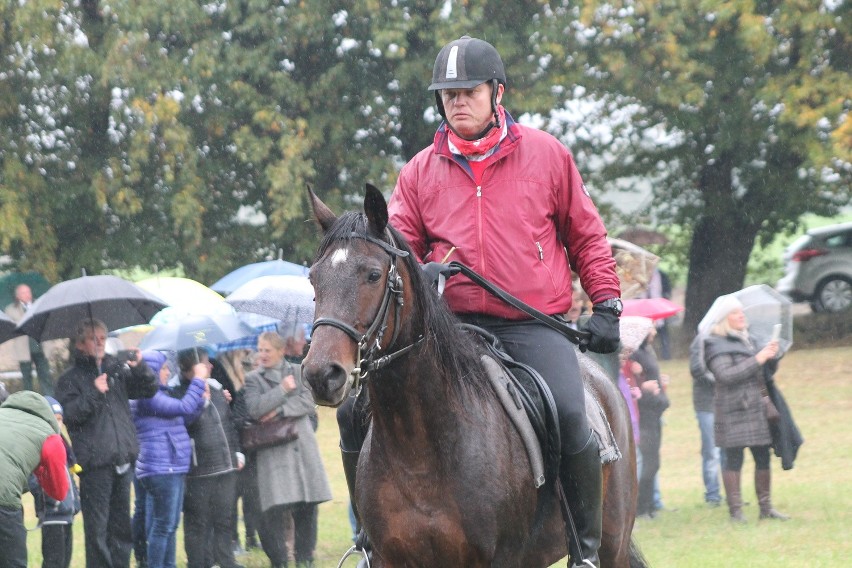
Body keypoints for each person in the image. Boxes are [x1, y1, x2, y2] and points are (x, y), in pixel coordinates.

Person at [352, 35, 621, 568]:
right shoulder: (419, 171)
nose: (457, 101)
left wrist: (607, 303)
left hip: (532, 323)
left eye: (468, 91)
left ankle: (587, 553)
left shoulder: (547, 155)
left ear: (497, 92)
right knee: (359, 412)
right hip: (449, 329)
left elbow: (586, 236)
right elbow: (396, 247)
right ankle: (368, 544)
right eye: (447, 93)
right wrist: (417, 269)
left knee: (571, 414)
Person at [55, 318, 158, 567]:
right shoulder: (69, 379)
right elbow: (69, 416)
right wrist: (93, 391)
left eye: (103, 338)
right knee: (98, 530)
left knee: (122, 529)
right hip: (95, 463)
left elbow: (148, 390)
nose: (100, 343)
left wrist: (140, 367)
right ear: (80, 344)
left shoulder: (115, 369)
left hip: (123, 457)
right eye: (93, 338)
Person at [243, 330, 331, 568]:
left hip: (302, 450)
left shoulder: (297, 371)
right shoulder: (253, 379)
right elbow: (255, 409)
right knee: (274, 511)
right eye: (260, 350)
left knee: (307, 508)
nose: (262, 355)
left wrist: (280, 411)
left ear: (280, 351)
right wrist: (281, 390)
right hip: (274, 454)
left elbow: (308, 402)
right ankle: (279, 561)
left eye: (267, 350)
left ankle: (305, 558)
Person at [702, 297, 789, 523]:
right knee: (733, 459)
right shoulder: (715, 343)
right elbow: (726, 375)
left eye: (742, 313)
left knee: (762, 457)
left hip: (757, 408)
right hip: (733, 409)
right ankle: (736, 512)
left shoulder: (748, 340)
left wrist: (771, 356)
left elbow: (762, 373)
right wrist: (758, 358)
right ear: (724, 320)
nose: (742, 316)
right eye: (735, 313)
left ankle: (766, 508)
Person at [131, 351, 207, 568]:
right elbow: (183, 407)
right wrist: (198, 381)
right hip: (162, 467)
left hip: (169, 465)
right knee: (164, 525)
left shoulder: (157, 395)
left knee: (169, 524)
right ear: (153, 372)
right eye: (163, 368)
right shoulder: (148, 397)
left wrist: (200, 401)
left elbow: (181, 417)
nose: (167, 372)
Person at [170, 348, 244, 568]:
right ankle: (199, 562)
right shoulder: (177, 393)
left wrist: (236, 452)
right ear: (194, 367)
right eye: (205, 363)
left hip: (225, 465)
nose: (211, 366)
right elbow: (183, 423)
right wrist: (199, 400)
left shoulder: (216, 388)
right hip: (198, 470)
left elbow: (228, 424)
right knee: (197, 522)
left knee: (224, 519)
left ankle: (226, 560)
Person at [0, 390, 70, 568]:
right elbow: (59, 492)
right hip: (3, 500)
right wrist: (40, 469)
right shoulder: (51, 437)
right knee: (12, 562)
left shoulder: (3, 415)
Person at [28, 396, 82, 568]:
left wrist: (75, 501)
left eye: (60, 419)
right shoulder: (39, 446)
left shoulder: (62, 445)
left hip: (67, 515)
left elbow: (68, 477)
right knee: (54, 562)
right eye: (53, 418)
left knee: (64, 561)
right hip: (52, 516)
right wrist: (50, 499)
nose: (57, 423)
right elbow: (34, 479)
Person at [629, 327, 670, 518]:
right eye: (651, 326)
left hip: (654, 411)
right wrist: (641, 385)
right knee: (647, 462)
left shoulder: (646, 351)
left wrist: (659, 383)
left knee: (653, 461)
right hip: (643, 414)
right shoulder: (633, 353)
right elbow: (626, 382)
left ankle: (649, 505)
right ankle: (641, 508)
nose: (654, 330)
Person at [689, 333, 724, 507]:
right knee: (711, 451)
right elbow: (697, 369)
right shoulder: (701, 339)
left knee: (726, 450)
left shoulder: (727, 339)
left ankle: (731, 493)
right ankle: (712, 494)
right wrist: (721, 379)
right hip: (707, 404)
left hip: (725, 402)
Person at [5, 283, 54, 395]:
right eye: (23, 293)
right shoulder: (11, 309)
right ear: (17, 296)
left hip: (39, 344)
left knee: (45, 375)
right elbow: (11, 327)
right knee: (26, 377)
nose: (27, 295)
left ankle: (50, 400)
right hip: (23, 347)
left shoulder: (40, 304)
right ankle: (29, 400)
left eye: (28, 292)